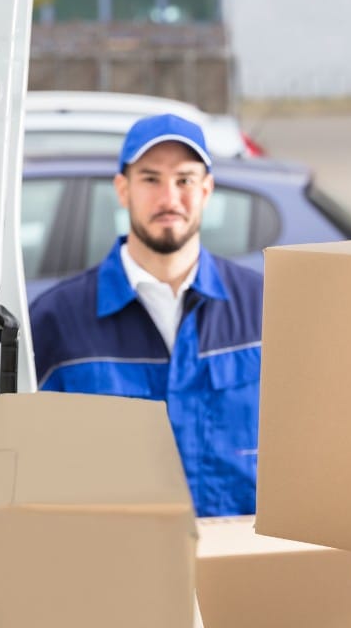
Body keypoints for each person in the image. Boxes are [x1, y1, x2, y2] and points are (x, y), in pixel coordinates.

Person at [31, 113, 264, 518]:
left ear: (207, 189)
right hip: (119, 568)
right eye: (151, 179)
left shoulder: (265, 306)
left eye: (185, 180)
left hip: (240, 564)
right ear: (123, 190)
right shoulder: (56, 319)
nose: (169, 199)